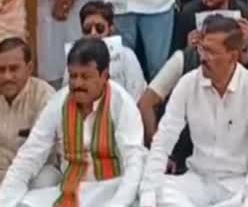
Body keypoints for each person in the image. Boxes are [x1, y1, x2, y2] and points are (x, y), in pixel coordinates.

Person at [139, 16, 248, 207]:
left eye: (210, 51)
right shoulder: (188, 83)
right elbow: (164, 139)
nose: (202, 57)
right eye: (201, 48)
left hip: (236, 184)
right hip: (197, 181)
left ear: (232, 56)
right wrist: (148, 192)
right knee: (157, 192)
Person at [0, 38, 145, 206]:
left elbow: (134, 163)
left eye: (85, 76)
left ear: (104, 75)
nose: (77, 83)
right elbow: (30, 154)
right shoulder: (59, 102)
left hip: (114, 188)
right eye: (73, 76)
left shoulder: (122, 103)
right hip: (71, 189)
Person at [59, 1, 146, 101]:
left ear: (111, 28)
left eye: (99, 28)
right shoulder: (75, 58)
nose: (93, 33)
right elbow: (65, 94)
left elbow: (137, 95)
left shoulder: (126, 55)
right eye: (87, 29)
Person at [0, 38, 56, 186]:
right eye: (1, 70)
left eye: (13, 69)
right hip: (2, 174)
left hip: (34, 173)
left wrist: (10, 182)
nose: (7, 77)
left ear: (29, 68)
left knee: (45, 180)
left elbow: (40, 152)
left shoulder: (44, 97)